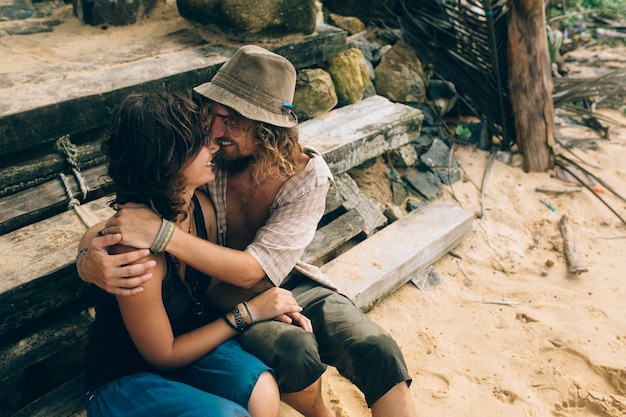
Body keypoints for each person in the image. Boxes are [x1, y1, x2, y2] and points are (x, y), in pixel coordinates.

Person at [78, 45, 418, 417]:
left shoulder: (306, 177)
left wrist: (165, 238)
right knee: (293, 350)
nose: (214, 132)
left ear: (267, 129)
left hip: (280, 281)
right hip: (209, 298)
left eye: (232, 121)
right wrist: (86, 260)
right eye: (214, 116)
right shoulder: (209, 162)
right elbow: (131, 222)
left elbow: (252, 269)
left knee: (376, 347)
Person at [77, 91, 309, 417]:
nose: (213, 143)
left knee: (263, 390)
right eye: (200, 140)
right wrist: (248, 312)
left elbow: (210, 286)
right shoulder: (135, 252)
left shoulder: (201, 208)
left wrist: (272, 305)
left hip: (189, 348)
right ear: (169, 159)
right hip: (125, 378)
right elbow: (164, 354)